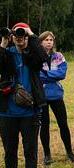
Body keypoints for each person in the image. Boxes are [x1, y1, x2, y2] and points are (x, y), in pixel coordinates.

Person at [0, 22, 47, 168]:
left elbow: (44, 56)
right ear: (12, 36)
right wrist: (3, 43)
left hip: (30, 112)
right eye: (16, 34)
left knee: (30, 151)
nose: (19, 37)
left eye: (22, 35)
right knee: (10, 152)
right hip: (8, 111)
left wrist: (31, 35)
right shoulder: (7, 54)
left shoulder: (33, 56)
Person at [38, 31, 74, 165]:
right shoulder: (36, 57)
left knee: (63, 124)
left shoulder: (59, 56)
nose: (49, 42)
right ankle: (47, 155)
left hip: (56, 95)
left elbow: (62, 74)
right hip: (42, 96)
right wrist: (52, 74)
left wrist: (46, 73)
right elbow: (37, 75)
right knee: (44, 126)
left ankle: (70, 152)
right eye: (46, 40)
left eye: (51, 40)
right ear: (40, 42)